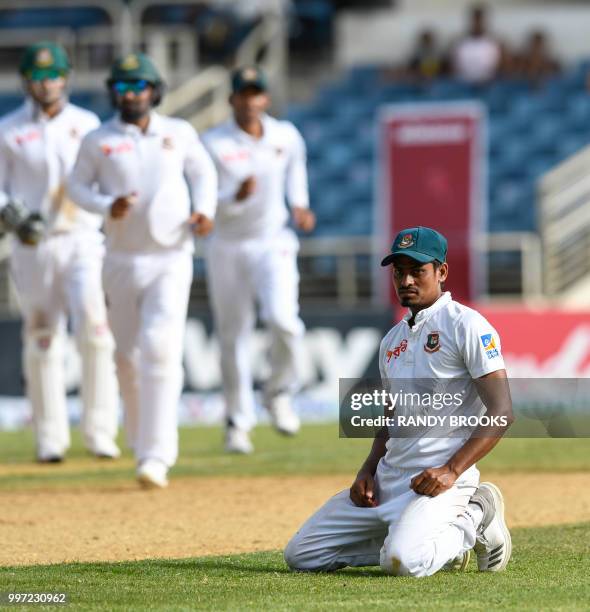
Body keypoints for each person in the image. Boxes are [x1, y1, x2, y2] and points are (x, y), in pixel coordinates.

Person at [285, 226, 514, 577]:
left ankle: (474, 515)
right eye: (398, 271)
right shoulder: (392, 339)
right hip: (389, 481)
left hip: (439, 484)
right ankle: (424, 540)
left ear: (442, 272)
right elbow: (391, 417)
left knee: (404, 562)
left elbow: (502, 412)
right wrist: (367, 470)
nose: (406, 280)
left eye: (417, 270)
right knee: (302, 555)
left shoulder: (466, 325)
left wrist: (451, 470)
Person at [67, 53, 217, 488]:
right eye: (123, 87)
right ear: (114, 92)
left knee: (159, 347)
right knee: (126, 356)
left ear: (154, 90)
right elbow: (77, 186)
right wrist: (103, 205)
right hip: (119, 258)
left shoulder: (178, 132)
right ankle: (138, 436)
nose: (131, 94)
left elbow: (203, 173)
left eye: (139, 86)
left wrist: (204, 211)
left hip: (171, 255)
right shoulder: (98, 139)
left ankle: (156, 454)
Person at [0, 42, 120, 463]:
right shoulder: (10, 130)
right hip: (33, 244)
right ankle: (49, 438)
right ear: (27, 82)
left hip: (82, 238)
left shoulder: (87, 125)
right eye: (37, 76)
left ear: (65, 79)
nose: (46, 83)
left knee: (95, 329)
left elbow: (103, 180)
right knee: (42, 334)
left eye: (52, 76)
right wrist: (12, 216)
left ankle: (100, 431)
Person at [202, 66, 315, 454]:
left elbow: (295, 171)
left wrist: (300, 205)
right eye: (243, 94)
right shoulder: (213, 143)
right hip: (228, 244)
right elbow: (204, 203)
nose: (250, 101)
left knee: (285, 321)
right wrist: (234, 195)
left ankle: (279, 391)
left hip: (273, 241)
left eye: (257, 94)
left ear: (265, 98)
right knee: (233, 335)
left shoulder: (285, 135)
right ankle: (237, 422)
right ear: (232, 99)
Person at [451, 4, 504, 85]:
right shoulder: (460, 44)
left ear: (485, 21)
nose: (477, 23)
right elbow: (454, 68)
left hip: (489, 84)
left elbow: (500, 68)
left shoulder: (494, 43)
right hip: (464, 84)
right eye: (475, 20)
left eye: (480, 20)